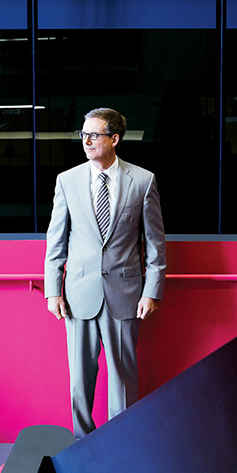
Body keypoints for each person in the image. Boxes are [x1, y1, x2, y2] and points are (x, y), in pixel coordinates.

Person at [44, 108, 166, 439]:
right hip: (78, 294)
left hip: (125, 293)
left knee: (123, 377)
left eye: (94, 135)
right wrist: (53, 290)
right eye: (83, 135)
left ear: (115, 139)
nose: (86, 141)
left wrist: (151, 291)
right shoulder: (67, 181)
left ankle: (121, 441)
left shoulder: (142, 180)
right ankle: (83, 442)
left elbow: (154, 243)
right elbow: (56, 240)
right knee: (80, 380)